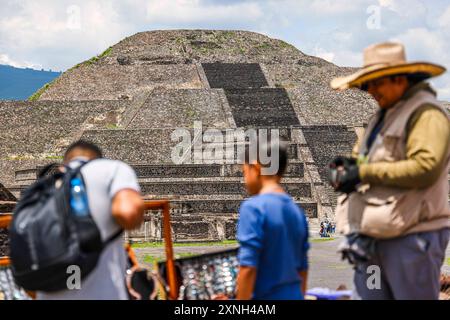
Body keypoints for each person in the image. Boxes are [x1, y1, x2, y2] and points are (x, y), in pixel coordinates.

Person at [329, 42, 450, 300]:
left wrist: (364, 173)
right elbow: (360, 157)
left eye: (375, 83)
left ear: (398, 79)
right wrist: (347, 170)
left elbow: (426, 167)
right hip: (374, 236)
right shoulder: (382, 117)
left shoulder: (426, 114)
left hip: (412, 235)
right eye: (367, 84)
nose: (370, 91)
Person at [37, 140, 144, 300]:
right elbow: (128, 214)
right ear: (98, 160)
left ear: (65, 163)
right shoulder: (112, 169)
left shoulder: (45, 185)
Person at [235, 139, 310, 300]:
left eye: (244, 172)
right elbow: (302, 269)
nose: (244, 180)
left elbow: (248, 268)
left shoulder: (253, 208)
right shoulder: (297, 211)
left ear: (255, 168)